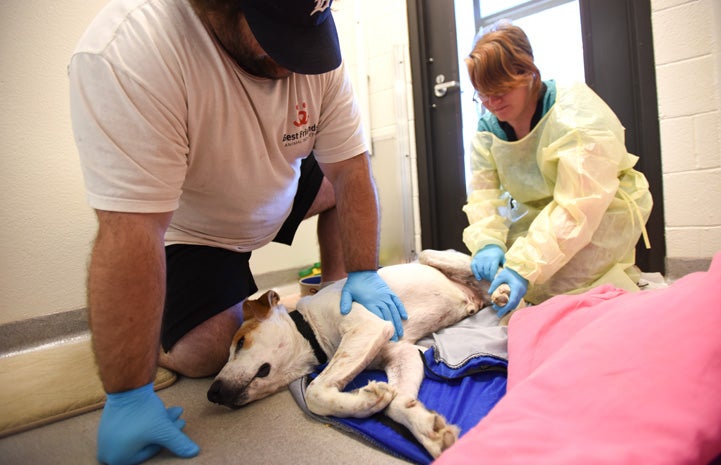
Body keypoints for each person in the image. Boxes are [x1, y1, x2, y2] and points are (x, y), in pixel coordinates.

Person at [68, 0, 407, 464]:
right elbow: (133, 227)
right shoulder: (134, 48)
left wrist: (361, 274)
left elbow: (352, 174)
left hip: (277, 188)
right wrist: (128, 392)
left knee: (333, 187)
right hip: (196, 231)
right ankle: (144, 334)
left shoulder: (316, 55)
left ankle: (333, 287)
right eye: (277, 39)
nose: (293, 63)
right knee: (207, 353)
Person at [462, 22, 653, 317]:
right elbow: (484, 195)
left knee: (558, 289)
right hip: (540, 216)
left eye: (500, 90)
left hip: (599, 209)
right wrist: (487, 241)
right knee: (523, 272)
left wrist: (524, 267)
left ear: (527, 72)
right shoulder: (489, 129)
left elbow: (578, 204)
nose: (492, 103)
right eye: (483, 95)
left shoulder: (575, 112)